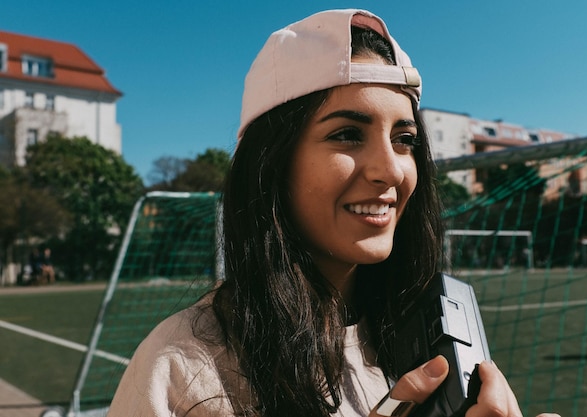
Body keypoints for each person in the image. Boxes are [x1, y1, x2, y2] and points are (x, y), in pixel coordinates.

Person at [108, 9, 560, 417]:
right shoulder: (180, 369)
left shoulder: (421, 341)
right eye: (346, 134)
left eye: (404, 140)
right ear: (272, 165)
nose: (390, 170)